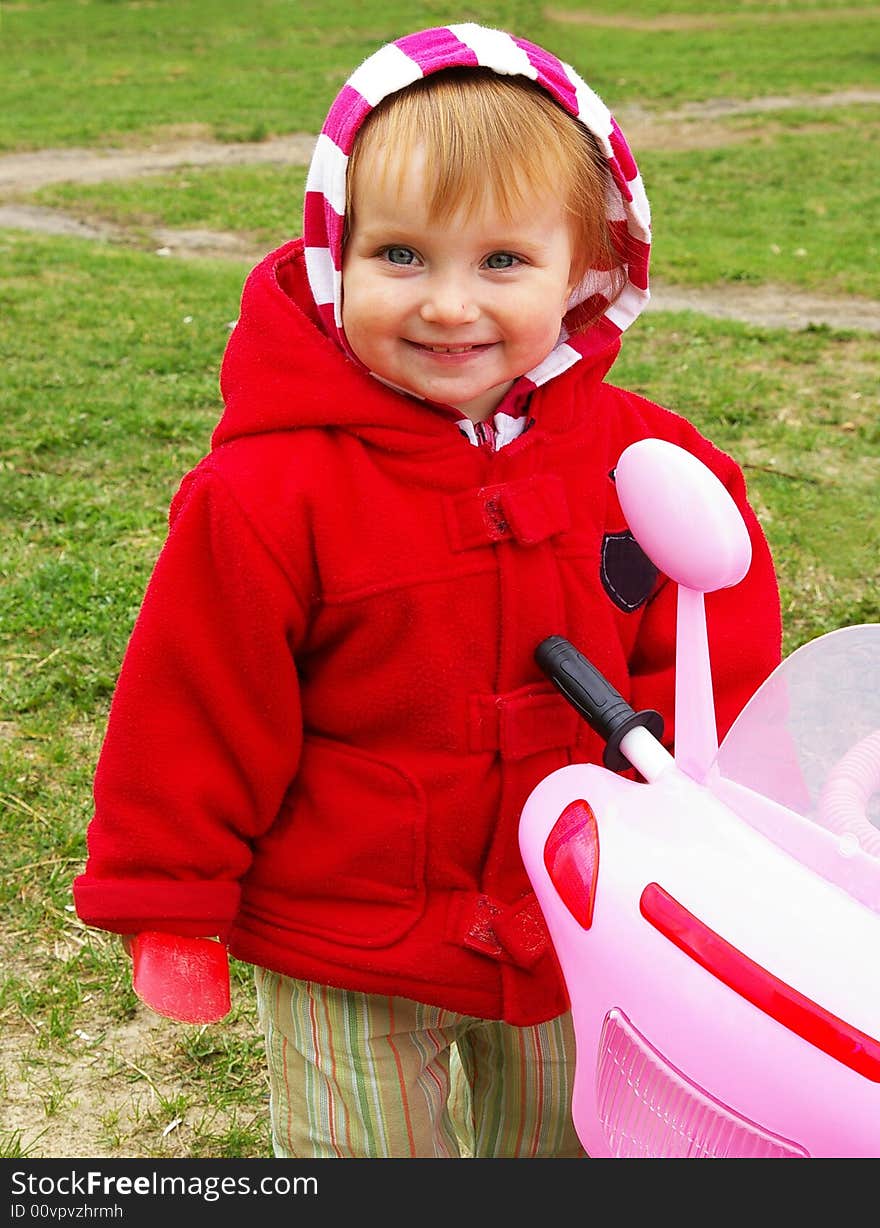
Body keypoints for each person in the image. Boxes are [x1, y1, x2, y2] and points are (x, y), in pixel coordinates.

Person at [73, 22, 782, 1158]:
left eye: (503, 262)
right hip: (344, 925)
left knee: (572, 1142)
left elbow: (710, 654)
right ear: (333, 255)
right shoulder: (266, 488)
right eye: (400, 254)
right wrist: (172, 895)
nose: (450, 306)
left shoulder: (643, 463)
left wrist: (728, 830)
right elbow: (198, 699)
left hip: (578, 909)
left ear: (587, 270)